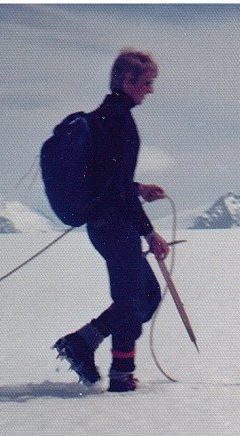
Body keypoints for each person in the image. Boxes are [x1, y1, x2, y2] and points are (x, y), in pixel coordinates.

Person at [53, 48, 169, 393]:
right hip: (116, 226)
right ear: (128, 79)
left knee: (144, 294)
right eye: (147, 82)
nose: (151, 90)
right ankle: (122, 375)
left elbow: (107, 178)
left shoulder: (105, 117)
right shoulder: (118, 120)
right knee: (133, 298)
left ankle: (83, 342)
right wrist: (149, 232)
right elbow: (115, 187)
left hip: (106, 224)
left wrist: (138, 188)